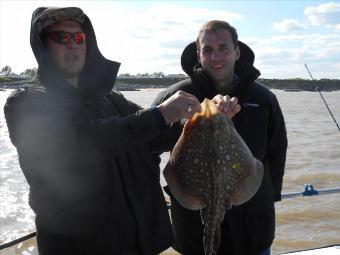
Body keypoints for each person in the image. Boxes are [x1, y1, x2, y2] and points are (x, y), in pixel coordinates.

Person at [3, 6, 211, 255]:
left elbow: (152, 135)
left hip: (140, 243)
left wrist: (204, 122)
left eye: (78, 38)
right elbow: (78, 144)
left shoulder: (112, 99)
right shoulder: (26, 102)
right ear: (42, 46)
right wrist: (160, 114)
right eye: (61, 37)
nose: (72, 44)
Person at [153, 20, 288, 255]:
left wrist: (267, 197)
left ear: (237, 51)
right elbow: (147, 145)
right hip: (191, 227)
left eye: (223, 48)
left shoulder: (263, 98)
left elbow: (277, 153)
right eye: (208, 50)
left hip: (252, 228)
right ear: (198, 54)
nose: (216, 56)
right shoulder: (176, 96)